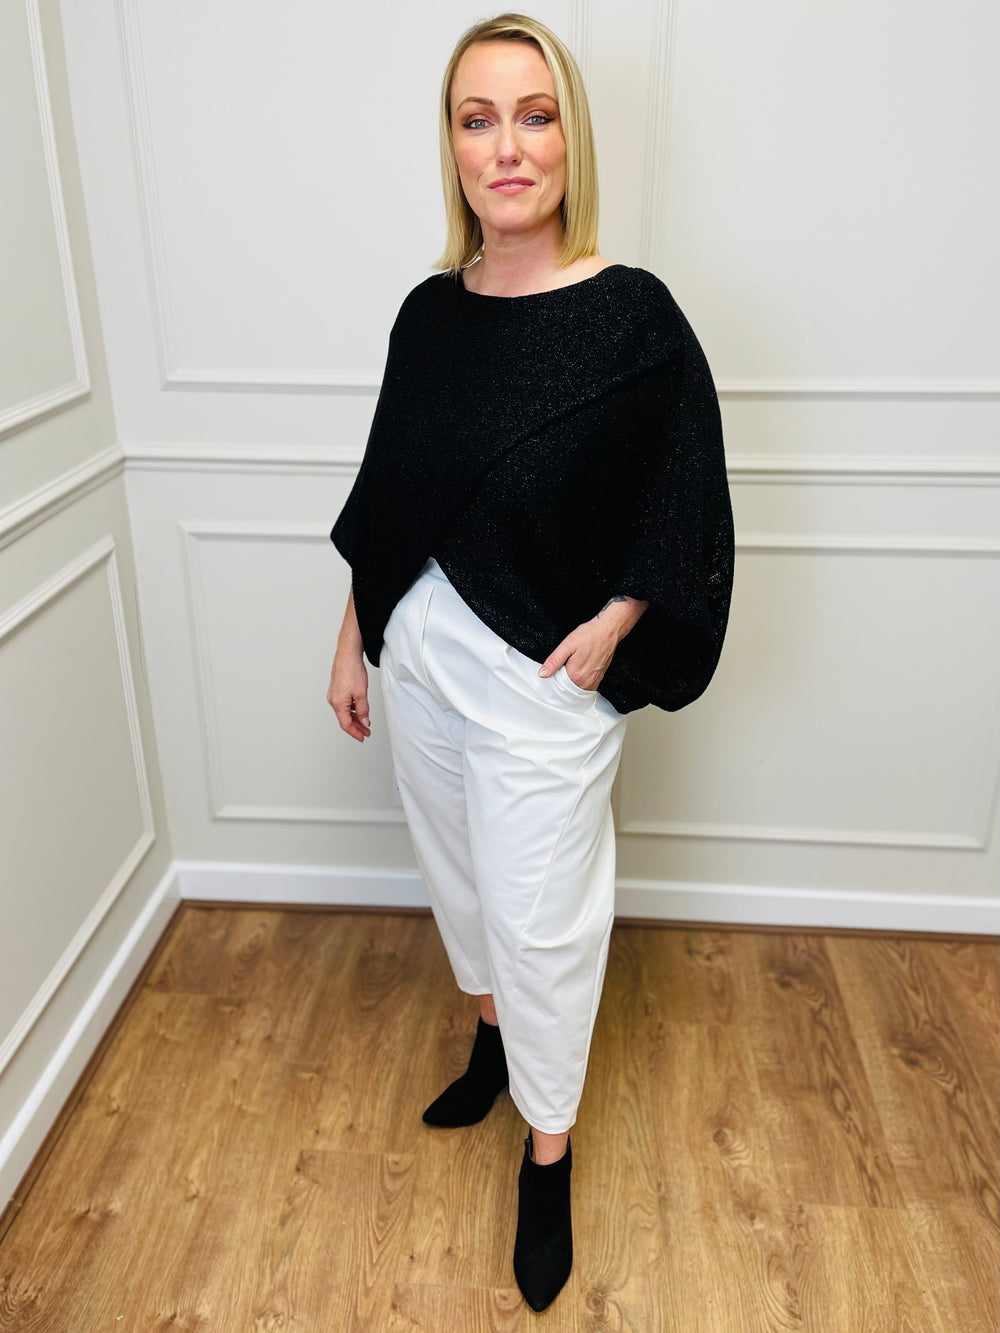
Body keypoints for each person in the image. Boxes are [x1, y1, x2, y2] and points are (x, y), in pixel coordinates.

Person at [326, 11, 734, 1313]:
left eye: (534, 115)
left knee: (543, 917)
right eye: (478, 119)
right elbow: (389, 489)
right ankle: (492, 1045)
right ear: (453, 147)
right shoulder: (428, 315)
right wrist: (353, 633)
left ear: (571, 139)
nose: (507, 146)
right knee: (457, 873)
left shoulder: (634, 318)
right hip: (418, 645)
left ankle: (547, 1154)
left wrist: (616, 623)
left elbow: (684, 494)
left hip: (542, 672)